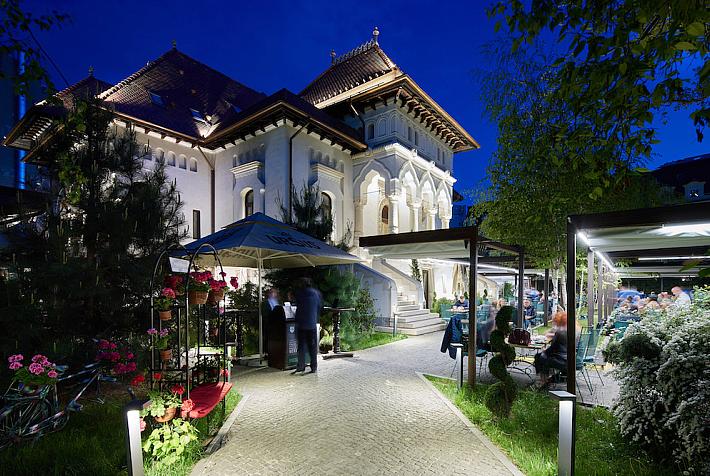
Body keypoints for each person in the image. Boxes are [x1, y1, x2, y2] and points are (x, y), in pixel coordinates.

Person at [534, 311, 573, 388]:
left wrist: (544, 351)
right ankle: (548, 378)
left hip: (562, 360)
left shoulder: (560, 333)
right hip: (571, 358)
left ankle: (543, 380)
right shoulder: (571, 330)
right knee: (541, 356)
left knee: (539, 357)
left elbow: (552, 349)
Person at [293, 277, 322, 375]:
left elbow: (298, 307)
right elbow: (319, 306)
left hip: (302, 324)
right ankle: (314, 367)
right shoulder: (317, 293)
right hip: (312, 324)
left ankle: (301, 366)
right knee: (312, 347)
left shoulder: (300, 293)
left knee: (301, 346)